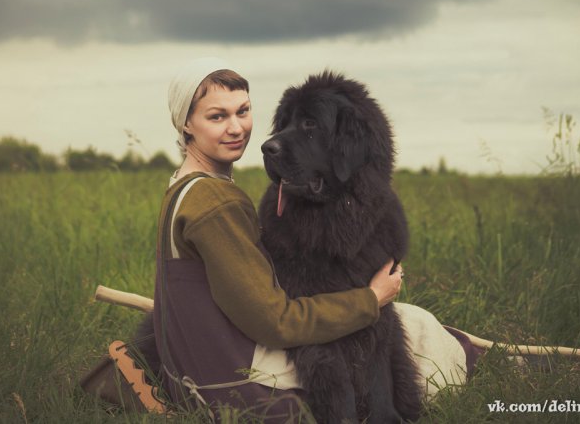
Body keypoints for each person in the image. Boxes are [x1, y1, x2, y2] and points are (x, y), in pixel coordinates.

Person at [150, 57, 406, 421]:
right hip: (234, 385)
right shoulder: (214, 205)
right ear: (186, 124)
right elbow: (276, 322)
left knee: (411, 323)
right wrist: (371, 299)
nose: (236, 127)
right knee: (411, 343)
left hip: (197, 366)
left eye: (243, 111)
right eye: (217, 117)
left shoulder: (184, 185)